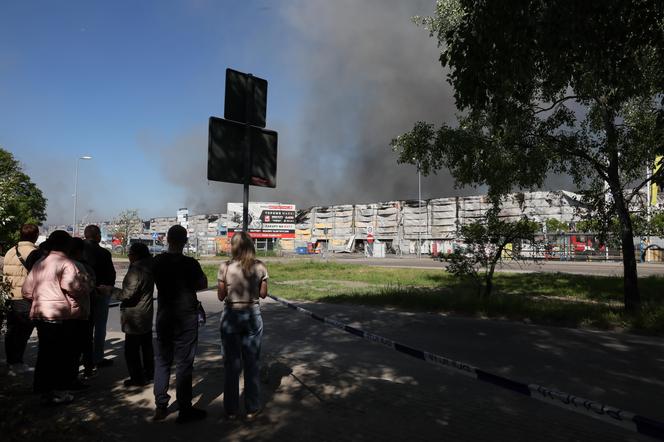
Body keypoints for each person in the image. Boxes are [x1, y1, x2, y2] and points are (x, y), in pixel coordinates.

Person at [22, 230, 87, 405]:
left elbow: (26, 291)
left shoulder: (40, 263)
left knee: (45, 354)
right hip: (59, 316)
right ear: (67, 245)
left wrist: (40, 301)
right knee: (60, 356)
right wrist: (84, 288)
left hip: (40, 314)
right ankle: (59, 392)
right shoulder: (66, 264)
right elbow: (74, 288)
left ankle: (42, 390)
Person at [152, 225, 208, 423]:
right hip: (186, 317)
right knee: (184, 363)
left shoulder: (157, 262)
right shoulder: (191, 264)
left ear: (167, 239)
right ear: (185, 241)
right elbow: (203, 284)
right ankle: (185, 409)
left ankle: (160, 406)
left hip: (165, 316)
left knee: (162, 361)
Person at [217, 231, 269, 420]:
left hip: (231, 315)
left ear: (234, 246)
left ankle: (231, 410)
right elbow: (263, 294)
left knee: (231, 364)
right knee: (252, 363)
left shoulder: (225, 266)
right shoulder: (260, 266)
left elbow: (221, 296)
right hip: (252, 315)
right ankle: (252, 408)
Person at [3, 223, 39, 375]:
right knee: (23, 332)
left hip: (9, 296)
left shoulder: (11, 250)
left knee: (11, 331)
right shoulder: (32, 252)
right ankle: (17, 363)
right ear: (35, 235)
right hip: (24, 298)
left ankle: (12, 362)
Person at [117, 242, 154, 387]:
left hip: (134, 315)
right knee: (146, 346)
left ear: (136, 255)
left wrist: (108, 290)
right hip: (146, 312)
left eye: (130, 254)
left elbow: (127, 294)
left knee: (131, 350)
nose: (128, 256)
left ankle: (137, 378)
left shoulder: (136, 270)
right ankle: (149, 373)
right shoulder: (150, 266)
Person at [82, 225, 116, 373]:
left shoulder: (78, 251)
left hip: (83, 294)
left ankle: (83, 356)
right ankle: (97, 357)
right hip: (101, 293)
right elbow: (111, 274)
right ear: (96, 236)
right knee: (100, 327)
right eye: (100, 234)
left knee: (83, 327)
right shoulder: (103, 253)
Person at [66, 237, 95, 390]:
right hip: (78, 312)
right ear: (79, 251)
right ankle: (73, 378)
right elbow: (87, 287)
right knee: (77, 347)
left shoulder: (46, 263)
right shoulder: (79, 266)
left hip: (57, 313)